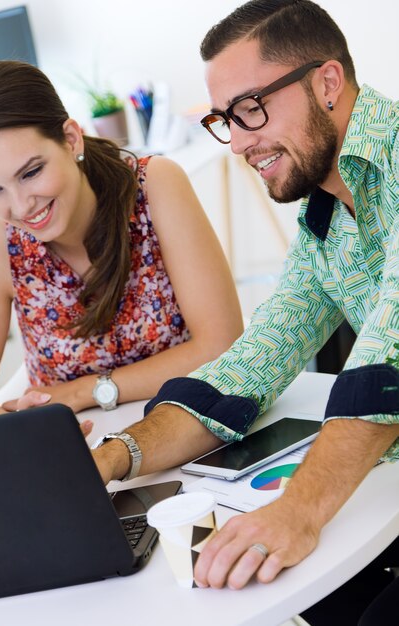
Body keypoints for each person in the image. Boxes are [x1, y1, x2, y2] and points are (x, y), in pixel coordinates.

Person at [90, 0, 398, 621]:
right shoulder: (327, 216)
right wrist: (113, 456)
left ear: (328, 83)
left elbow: (388, 356)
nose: (238, 143)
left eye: (250, 109)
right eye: (224, 120)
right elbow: (250, 366)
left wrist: (298, 511)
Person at [0, 60, 243, 424]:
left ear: (71, 139)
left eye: (31, 172)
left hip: (186, 424)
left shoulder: (154, 186)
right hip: (77, 455)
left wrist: (86, 391)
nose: (20, 206)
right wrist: (30, 434)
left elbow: (221, 344)